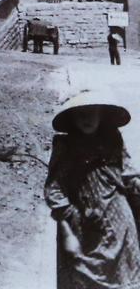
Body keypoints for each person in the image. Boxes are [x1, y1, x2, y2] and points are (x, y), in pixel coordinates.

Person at [45, 90, 140, 289]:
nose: (86, 119)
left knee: (124, 280)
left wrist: (136, 185)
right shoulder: (66, 146)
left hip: (120, 225)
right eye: (80, 114)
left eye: (92, 112)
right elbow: (55, 190)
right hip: (82, 228)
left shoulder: (114, 139)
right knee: (82, 279)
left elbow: (129, 174)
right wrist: (67, 233)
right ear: (72, 118)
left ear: (102, 115)